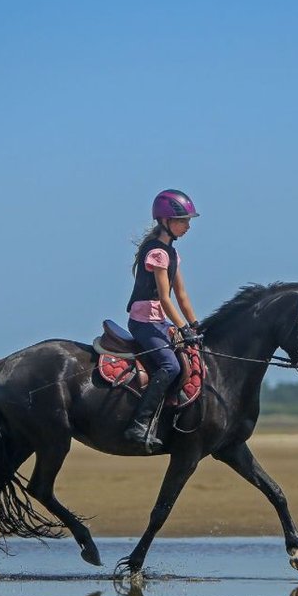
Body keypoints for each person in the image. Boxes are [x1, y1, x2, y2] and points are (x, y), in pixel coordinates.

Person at [123, 188, 203, 450]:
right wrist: (182, 327)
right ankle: (139, 423)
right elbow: (165, 299)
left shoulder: (172, 254)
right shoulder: (157, 253)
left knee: (189, 357)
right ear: (166, 221)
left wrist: (195, 326)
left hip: (159, 321)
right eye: (183, 220)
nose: (188, 226)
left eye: (188, 220)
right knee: (171, 366)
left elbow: (182, 295)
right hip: (144, 322)